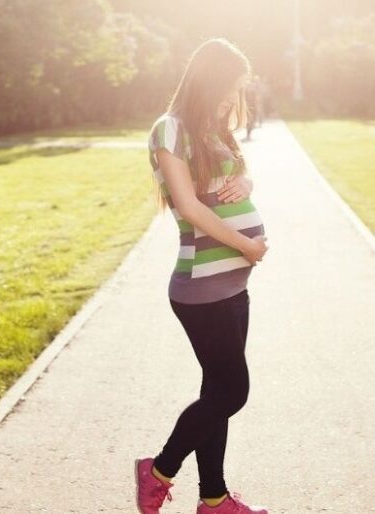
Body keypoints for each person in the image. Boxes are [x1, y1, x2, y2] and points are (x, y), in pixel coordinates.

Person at [134, 37, 271, 514]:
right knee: (233, 392)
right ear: (209, 80)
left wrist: (247, 182)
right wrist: (246, 245)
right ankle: (157, 471)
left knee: (217, 394)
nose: (232, 99)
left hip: (234, 286)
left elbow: (236, 175)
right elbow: (190, 205)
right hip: (201, 288)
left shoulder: (213, 127)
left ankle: (214, 500)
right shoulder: (169, 130)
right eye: (228, 88)